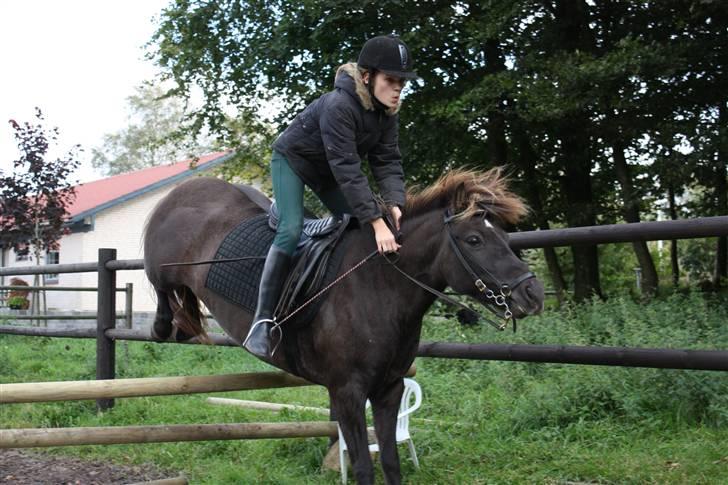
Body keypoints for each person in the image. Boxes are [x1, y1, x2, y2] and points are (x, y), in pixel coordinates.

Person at [243, 34, 418, 358]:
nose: (398, 89)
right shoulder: (340, 105)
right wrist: (377, 222)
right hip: (293, 162)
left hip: (330, 172)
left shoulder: (387, 114)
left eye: (402, 82)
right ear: (367, 77)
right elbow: (348, 169)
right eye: (391, 80)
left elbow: (387, 161)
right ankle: (262, 322)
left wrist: (394, 204)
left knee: (364, 223)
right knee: (292, 228)